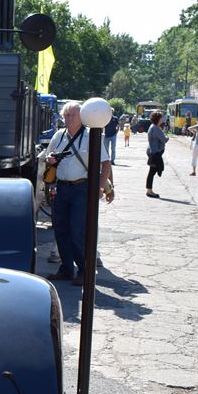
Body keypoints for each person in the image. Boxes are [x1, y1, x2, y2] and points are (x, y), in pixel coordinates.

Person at [42, 101, 114, 286]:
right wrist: (50, 161)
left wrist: (100, 187)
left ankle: (84, 269)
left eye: (72, 115)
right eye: (66, 115)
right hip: (62, 188)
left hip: (82, 189)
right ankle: (66, 268)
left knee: (77, 231)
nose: (68, 118)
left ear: (82, 117)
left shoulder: (91, 136)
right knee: (61, 230)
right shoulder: (59, 136)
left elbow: (105, 163)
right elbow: (48, 160)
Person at [146, 111, 167, 198]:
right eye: (161, 118)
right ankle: (149, 191)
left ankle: (149, 190)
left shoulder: (153, 127)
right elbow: (164, 139)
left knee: (152, 171)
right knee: (152, 172)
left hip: (153, 151)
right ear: (158, 119)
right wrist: (167, 136)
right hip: (155, 153)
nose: (162, 119)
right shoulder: (156, 128)